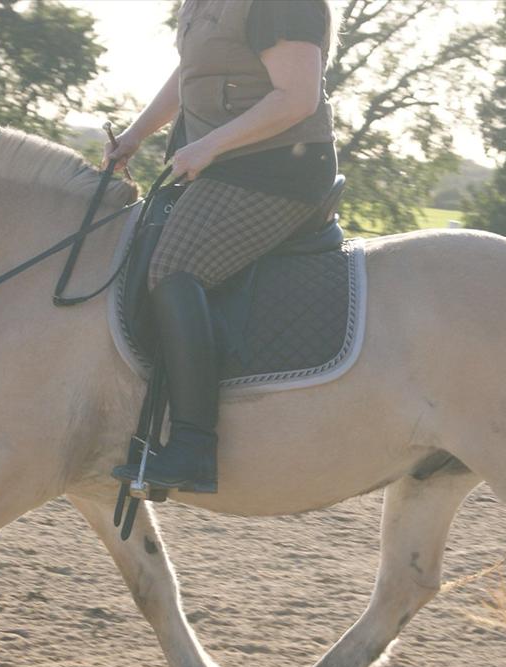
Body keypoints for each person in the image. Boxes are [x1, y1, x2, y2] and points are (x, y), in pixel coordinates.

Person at [109, 0, 338, 494]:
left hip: (279, 173)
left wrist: (209, 146)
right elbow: (192, 69)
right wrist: (135, 135)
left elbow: (297, 98)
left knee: (173, 268)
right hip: (221, 165)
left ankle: (193, 445)